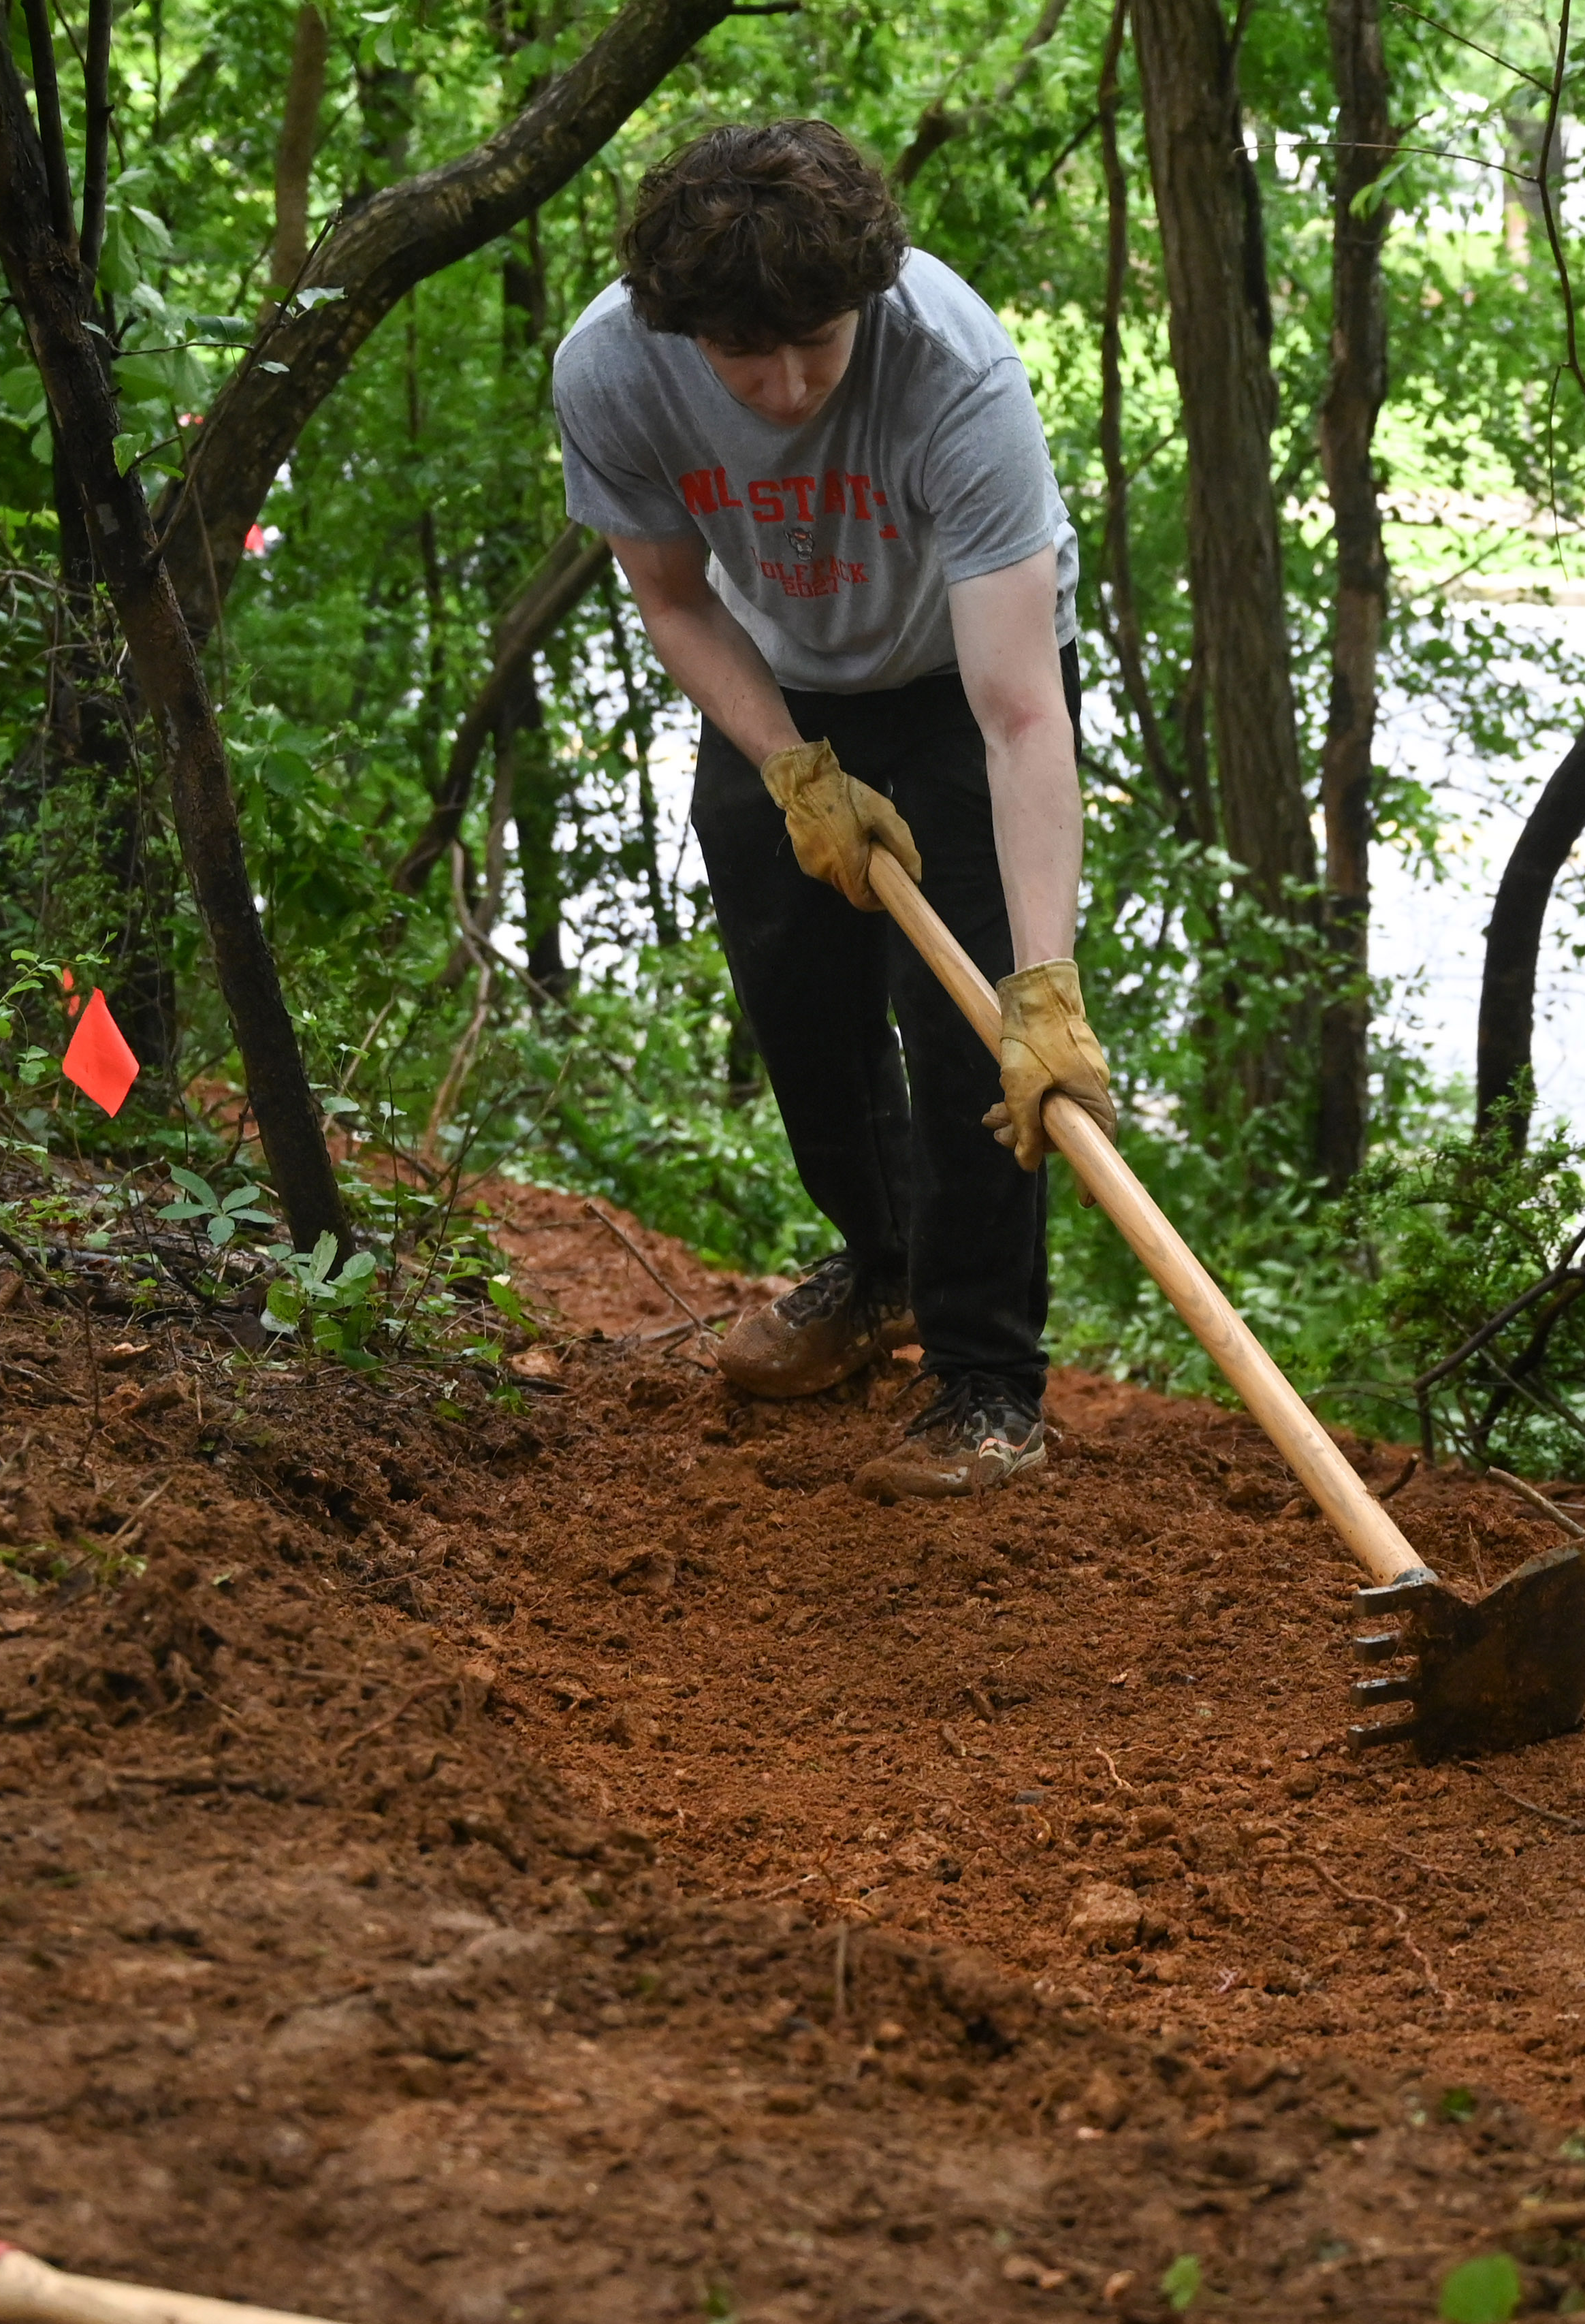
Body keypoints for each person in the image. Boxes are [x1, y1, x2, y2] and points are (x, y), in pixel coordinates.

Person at [551, 120, 1113, 1501]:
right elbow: (673, 600)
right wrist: (792, 766)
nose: (793, 384)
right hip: (775, 683)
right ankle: (883, 1270)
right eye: (753, 359)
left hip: (957, 687)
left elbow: (1022, 713)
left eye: (821, 338)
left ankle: (987, 1385)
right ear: (680, 333)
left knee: (972, 1032)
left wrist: (1044, 986)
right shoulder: (611, 371)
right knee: (802, 1005)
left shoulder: (954, 372)